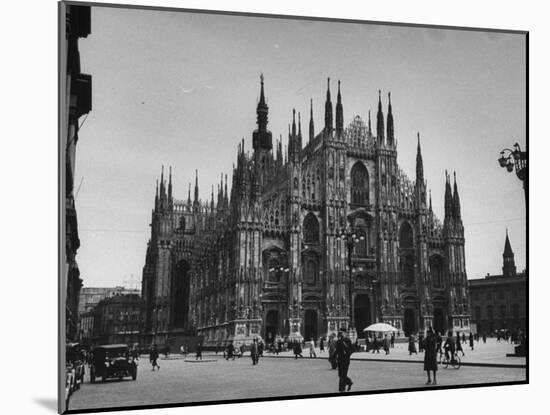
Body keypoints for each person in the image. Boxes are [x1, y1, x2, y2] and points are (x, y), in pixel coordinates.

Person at [334, 328, 353, 392]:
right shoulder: (338, 341)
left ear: (345, 333)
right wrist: (333, 357)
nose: (341, 334)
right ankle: (349, 382)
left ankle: (341, 389)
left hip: (346, 360)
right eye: (340, 332)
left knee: (343, 375)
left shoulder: (348, 341)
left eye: (342, 332)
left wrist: (347, 353)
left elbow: (352, 350)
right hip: (340, 360)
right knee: (340, 375)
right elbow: (337, 350)